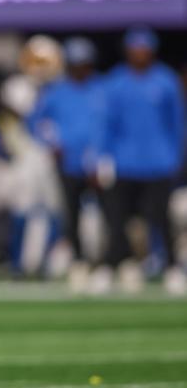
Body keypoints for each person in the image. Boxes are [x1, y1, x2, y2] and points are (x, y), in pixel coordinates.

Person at [96, 27, 186, 294]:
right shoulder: (116, 82)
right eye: (136, 49)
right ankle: (111, 266)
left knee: (161, 219)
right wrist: (103, 158)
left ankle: (172, 268)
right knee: (117, 219)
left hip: (158, 162)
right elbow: (106, 124)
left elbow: (176, 123)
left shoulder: (166, 81)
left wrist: (175, 157)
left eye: (144, 49)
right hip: (124, 162)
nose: (140, 54)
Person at [30, 37, 106, 278]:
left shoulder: (103, 89)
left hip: (100, 164)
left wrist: (105, 156)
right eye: (75, 64)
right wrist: (52, 143)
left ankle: (107, 261)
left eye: (83, 64)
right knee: (71, 214)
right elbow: (36, 123)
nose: (79, 70)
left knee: (108, 213)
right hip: (68, 163)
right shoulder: (56, 92)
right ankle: (78, 260)